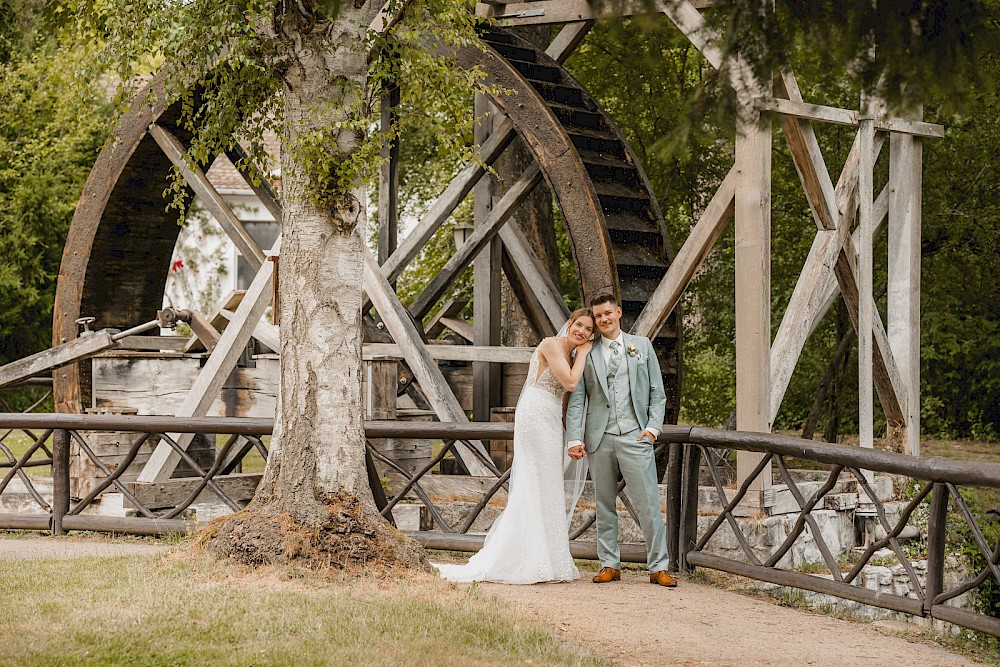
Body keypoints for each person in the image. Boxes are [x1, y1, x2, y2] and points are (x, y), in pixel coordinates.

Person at [434, 309, 595, 584]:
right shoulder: (551, 345)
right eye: (578, 324)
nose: (581, 331)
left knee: (547, 483)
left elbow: (567, 398)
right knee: (534, 481)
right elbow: (569, 382)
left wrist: (572, 436)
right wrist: (583, 354)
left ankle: (551, 560)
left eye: (588, 329)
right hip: (535, 414)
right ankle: (532, 560)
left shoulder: (568, 355)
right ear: (569, 324)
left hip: (551, 416)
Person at [565, 294, 677, 587]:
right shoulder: (585, 353)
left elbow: (657, 392)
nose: (603, 319)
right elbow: (577, 401)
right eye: (598, 316)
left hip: (634, 435)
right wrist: (574, 438)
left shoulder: (641, 346)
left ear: (618, 312)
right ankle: (609, 564)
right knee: (604, 503)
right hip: (599, 439)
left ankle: (658, 567)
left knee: (649, 503)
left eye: (607, 314)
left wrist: (653, 428)